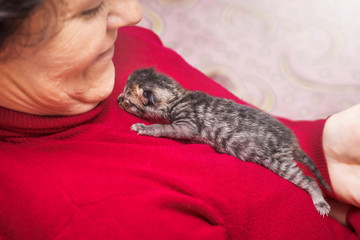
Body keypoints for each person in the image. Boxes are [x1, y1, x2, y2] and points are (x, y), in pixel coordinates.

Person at [0, 0, 359, 239]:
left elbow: (221, 121)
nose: (132, 13)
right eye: (90, 8)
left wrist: (316, 147)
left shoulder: (115, 50)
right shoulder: (95, 219)